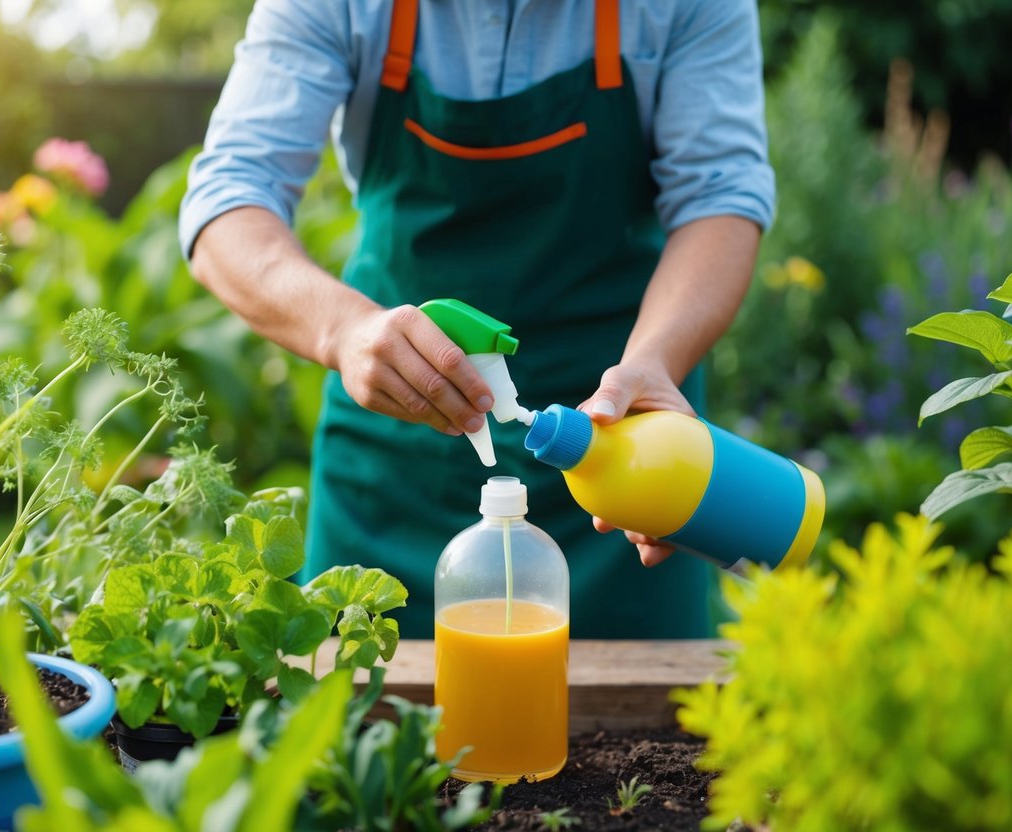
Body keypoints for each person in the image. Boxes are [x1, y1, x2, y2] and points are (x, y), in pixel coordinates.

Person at [180, 0, 775, 639]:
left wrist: (654, 361)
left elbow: (718, 196)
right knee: (348, 718)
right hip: (393, 459)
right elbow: (232, 191)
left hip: (622, 443)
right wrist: (346, 331)